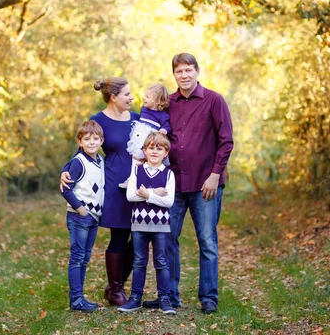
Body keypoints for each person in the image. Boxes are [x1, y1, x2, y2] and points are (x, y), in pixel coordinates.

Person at [142, 53, 234, 314]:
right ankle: (170, 295)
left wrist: (215, 174)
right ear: (174, 74)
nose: (184, 75)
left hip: (206, 184)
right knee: (168, 239)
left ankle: (208, 297)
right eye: (179, 71)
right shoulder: (168, 103)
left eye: (188, 70)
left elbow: (226, 141)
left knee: (207, 241)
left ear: (197, 71)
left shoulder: (214, 101)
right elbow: (149, 129)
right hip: (173, 183)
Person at [60, 77, 138, 306]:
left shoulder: (137, 119)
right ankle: (115, 290)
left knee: (139, 238)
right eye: (127, 94)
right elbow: (82, 150)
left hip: (138, 184)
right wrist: (66, 170)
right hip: (113, 185)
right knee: (119, 236)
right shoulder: (98, 120)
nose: (132, 97)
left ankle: (116, 284)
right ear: (113, 97)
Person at [117, 132, 176, 315]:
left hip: (161, 225)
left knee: (161, 262)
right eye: (151, 147)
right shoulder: (137, 170)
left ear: (166, 152)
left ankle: (165, 299)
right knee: (139, 262)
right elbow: (130, 195)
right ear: (144, 150)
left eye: (159, 148)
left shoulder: (168, 174)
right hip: (139, 224)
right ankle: (135, 298)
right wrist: (156, 192)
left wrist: (147, 195)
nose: (155, 151)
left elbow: (169, 202)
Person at [60, 120, 105, 312]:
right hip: (80, 216)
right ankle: (76, 299)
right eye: (87, 139)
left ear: (102, 140)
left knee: (85, 258)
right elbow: (66, 189)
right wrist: (80, 208)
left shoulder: (100, 161)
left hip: (94, 217)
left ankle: (79, 297)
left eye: (96, 139)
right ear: (80, 141)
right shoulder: (79, 162)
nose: (92, 142)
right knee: (77, 258)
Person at [119, 83, 171, 189]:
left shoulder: (163, 115)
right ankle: (132, 178)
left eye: (147, 97)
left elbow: (167, 126)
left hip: (150, 139)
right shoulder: (144, 109)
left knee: (147, 161)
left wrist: (164, 130)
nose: (144, 98)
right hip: (139, 136)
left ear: (157, 101)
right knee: (136, 157)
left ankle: (145, 181)